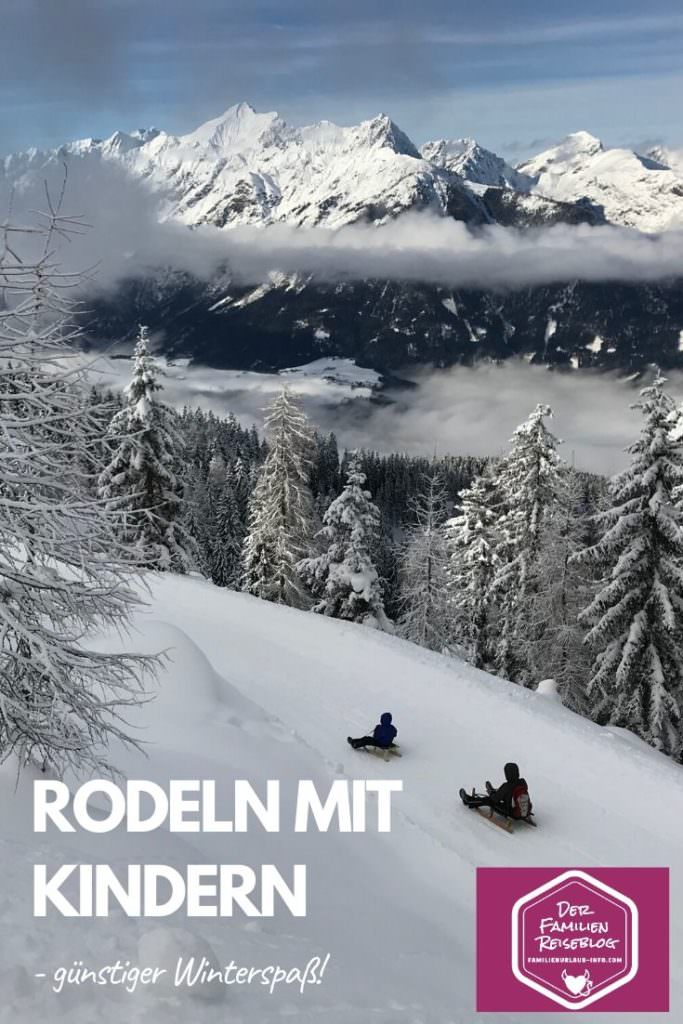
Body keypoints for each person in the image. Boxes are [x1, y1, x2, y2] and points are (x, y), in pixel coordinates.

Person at [459, 762, 532, 819]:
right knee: (506, 793)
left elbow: (494, 800)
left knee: (488, 800)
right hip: (526, 811)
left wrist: (492, 795)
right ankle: (494, 792)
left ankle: (468, 800)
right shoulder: (522, 782)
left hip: (512, 812)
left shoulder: (506, 786)